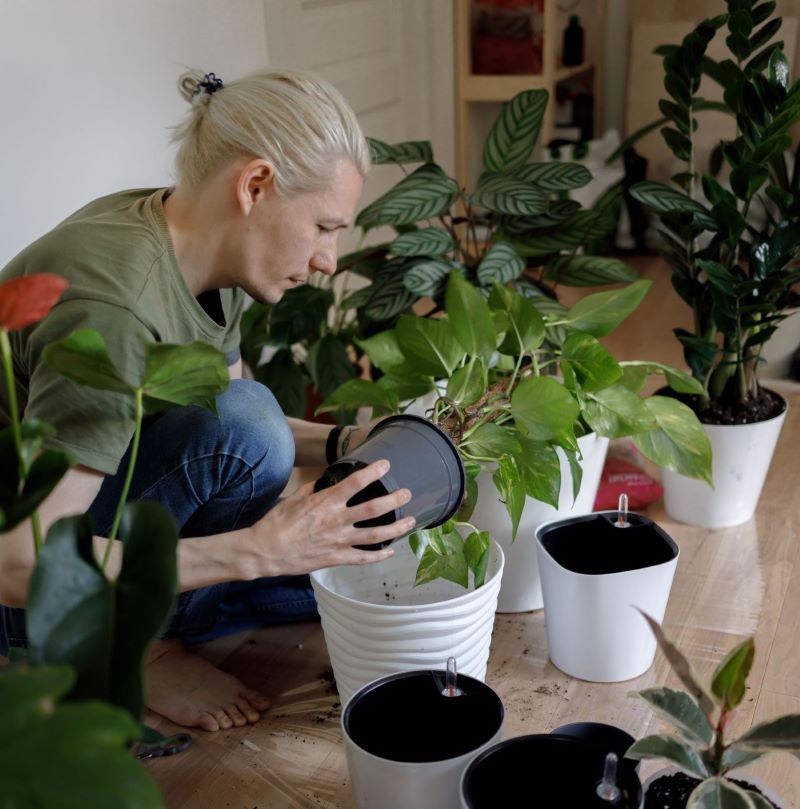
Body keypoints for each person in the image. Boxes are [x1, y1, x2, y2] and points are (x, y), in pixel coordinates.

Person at [0, 69, 415, 732]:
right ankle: (142, 649)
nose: (328, 260)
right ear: (255, 185)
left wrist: (343, 445)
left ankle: (188, 608)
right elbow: (21, 562)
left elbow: (225, 414)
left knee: (327, 549)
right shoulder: (112, 308)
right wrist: (259, 550)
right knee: (276, 524)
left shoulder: (196, 250)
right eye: (324, 227)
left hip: (85, 516)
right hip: (23, 589)